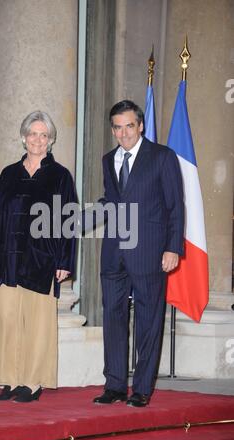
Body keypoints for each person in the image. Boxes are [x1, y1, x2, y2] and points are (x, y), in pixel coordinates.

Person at [93, 100, 184, 407]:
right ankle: (115, 385)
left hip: (150, 252)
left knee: (148, 320)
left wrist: (173, 247)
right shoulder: (109, 160)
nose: (123, 133)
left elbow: (175, 206)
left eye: (129, 126)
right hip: (114, 253)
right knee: (113, 318)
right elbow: (112, 201)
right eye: (117, 127)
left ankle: (142, 388)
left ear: (140, 126)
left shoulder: (162, 157)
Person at [0, 110, 76, 403]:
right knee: (7, 320)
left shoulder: (60, 176)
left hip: (42, 260)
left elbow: (68, 221)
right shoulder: (9, 174)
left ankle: (31, 383)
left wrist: (64, 261)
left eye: (43, 134)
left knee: (37, 324)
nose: (37, 139)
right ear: (24, 137)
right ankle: (9, 380)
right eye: (33, 134)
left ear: (50, 140)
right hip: (8, 258)